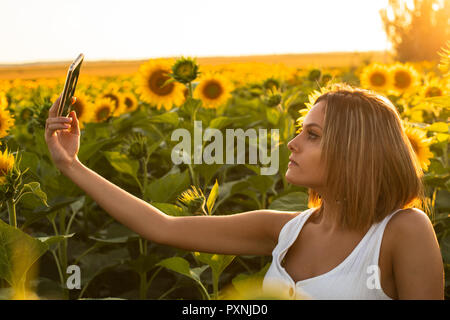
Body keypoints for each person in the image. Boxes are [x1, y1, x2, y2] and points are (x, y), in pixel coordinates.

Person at [44, 84, 444, 300]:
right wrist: (70, 164)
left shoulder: (402, 231)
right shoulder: (285, 231)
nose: (292, 143)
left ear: (354, 150)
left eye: (313, 135)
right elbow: (162, 226)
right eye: (298, 130)